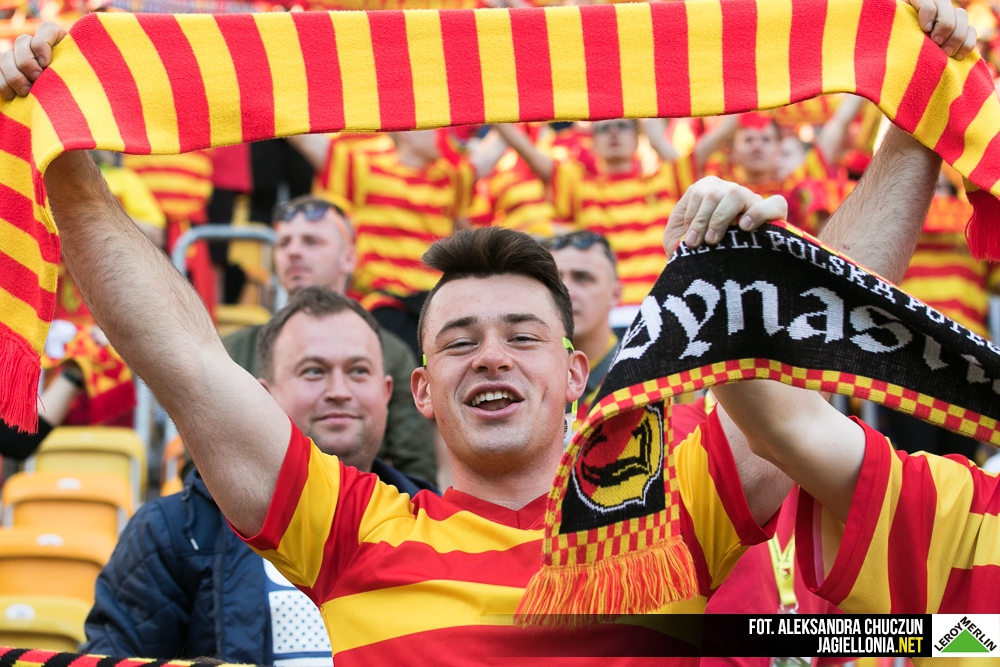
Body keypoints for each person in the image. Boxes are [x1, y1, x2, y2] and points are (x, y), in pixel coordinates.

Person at [82, 287, 435, 663]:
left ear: (386, 392)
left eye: (358, 371)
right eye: (314, 371)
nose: (339, 391)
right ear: (265, 396)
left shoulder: (435, 524)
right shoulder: (173, 533)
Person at [222, 195, 437, 485]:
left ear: (348, 258)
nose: (293, 252)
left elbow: (415, 469)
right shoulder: (233, 350)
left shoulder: (392, 352)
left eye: (311, 241)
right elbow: (203, 463)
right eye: (284, 243)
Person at [497, 116, 736, 330]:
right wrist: (494, 110)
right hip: (607, 318)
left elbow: (722, 132)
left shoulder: (666, 180)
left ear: (637, 138)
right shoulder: (579, 188)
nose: (613, 133)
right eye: (603, 129)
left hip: (662, 311)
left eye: (622, 126)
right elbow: (527, 152)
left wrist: (656, 139)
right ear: (592, 142)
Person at [318, 128, 506, 357]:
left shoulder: (448, 180)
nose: (444, 134)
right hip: (385, 303)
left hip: (434, 304)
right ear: (408, 133)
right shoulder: (366, 171)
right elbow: (306, 138)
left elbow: (495, 148)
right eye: (435, 127)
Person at [539, 230, 621, 419]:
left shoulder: (640, 384)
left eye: (582, 278)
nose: (566, 291)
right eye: (554, 279)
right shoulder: (523, 377)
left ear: (615, 294)